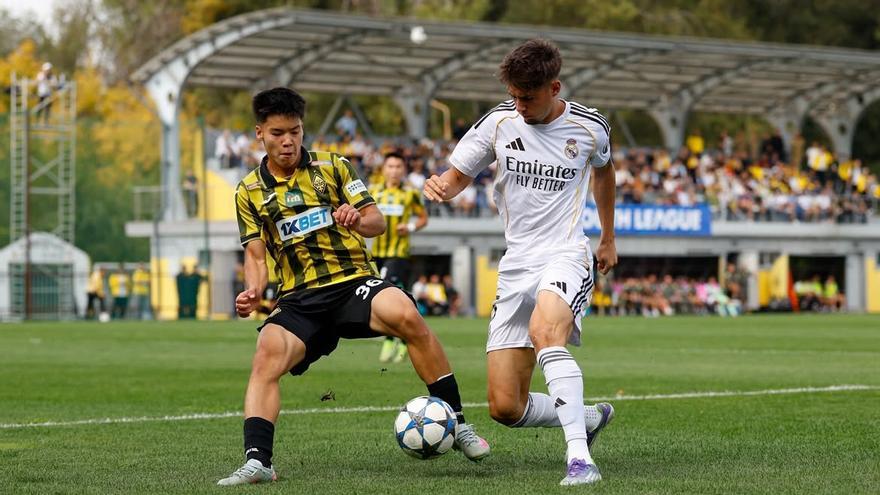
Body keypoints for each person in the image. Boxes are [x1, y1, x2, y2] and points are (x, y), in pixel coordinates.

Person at [218, 87, 489, 486]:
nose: (289, 140)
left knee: (406, 314)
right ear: (260, 133)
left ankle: (458, 423)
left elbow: (376, 222)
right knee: (266, 356)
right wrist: (252, 291)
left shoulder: (334, 167)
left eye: (295, 130)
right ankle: (259, 462)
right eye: (278, 133)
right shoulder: (248, 191)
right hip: (300, 298)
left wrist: (355, 219)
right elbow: (256, 256)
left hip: (352, 283)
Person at [423, 39, 617, 486]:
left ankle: (580, 460)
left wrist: (607, 237)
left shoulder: (590, 127)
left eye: (527, 97)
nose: (519, 105)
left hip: (566, 252)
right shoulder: (498, 122)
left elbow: (605, 172)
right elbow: (457, 177)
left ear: (554, 87)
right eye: (513, 95)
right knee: (505, 407)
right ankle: (586, 416)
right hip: (515, 263)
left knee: (546, 331)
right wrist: (443, 188)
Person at [370, 152, 429, 363]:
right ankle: (404, 337)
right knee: (399, 297)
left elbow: (423, 218)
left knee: (386, 291)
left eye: (398, 167)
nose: (394, 170)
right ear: (383, 169)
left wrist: (411, 226)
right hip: (377, 253)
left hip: (399, 253)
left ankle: (390, 337)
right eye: (390, 166)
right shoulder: (373, 191)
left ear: (403, 170)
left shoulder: (410, 193)